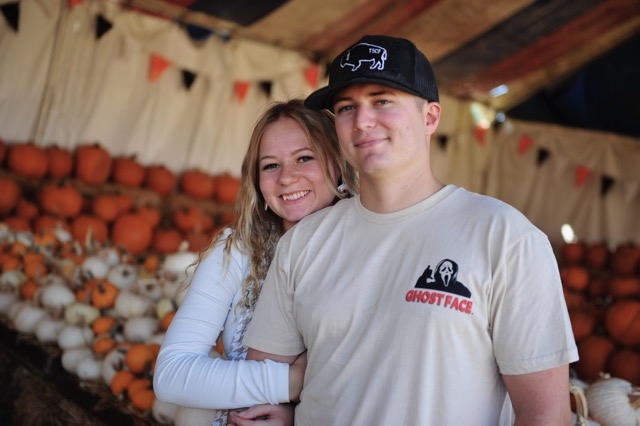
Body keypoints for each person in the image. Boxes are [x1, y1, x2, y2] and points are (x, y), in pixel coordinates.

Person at [232, 35, 579, 426]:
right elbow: (262, 383)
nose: (362, 121)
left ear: (430, 118)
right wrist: (282, 414)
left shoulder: (504, 237)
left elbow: (545, 414)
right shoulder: (305, 242)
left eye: (382, 101)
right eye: (347, 107)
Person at [153, 99, 358, 426]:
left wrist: (292, 414)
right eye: (271, 165)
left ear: (338, 165)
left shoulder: (366, 251)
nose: (287, 177)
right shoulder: (237, 250)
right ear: (257, 182)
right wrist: (292, 382)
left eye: (305, 158)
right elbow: (172, 374)